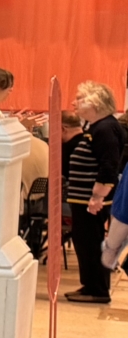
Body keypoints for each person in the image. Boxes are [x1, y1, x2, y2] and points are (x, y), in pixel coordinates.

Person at [65, 83, 123, 303]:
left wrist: (98, 196)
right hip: (85, 198)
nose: (74, 102)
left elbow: (108, 165)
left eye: (80, 98)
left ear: (95, 102)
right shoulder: (98, 127)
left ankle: (96, 289)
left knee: (90, 241)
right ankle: (90, 285)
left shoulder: (105, 128)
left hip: (92, 200)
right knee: (85, 241)